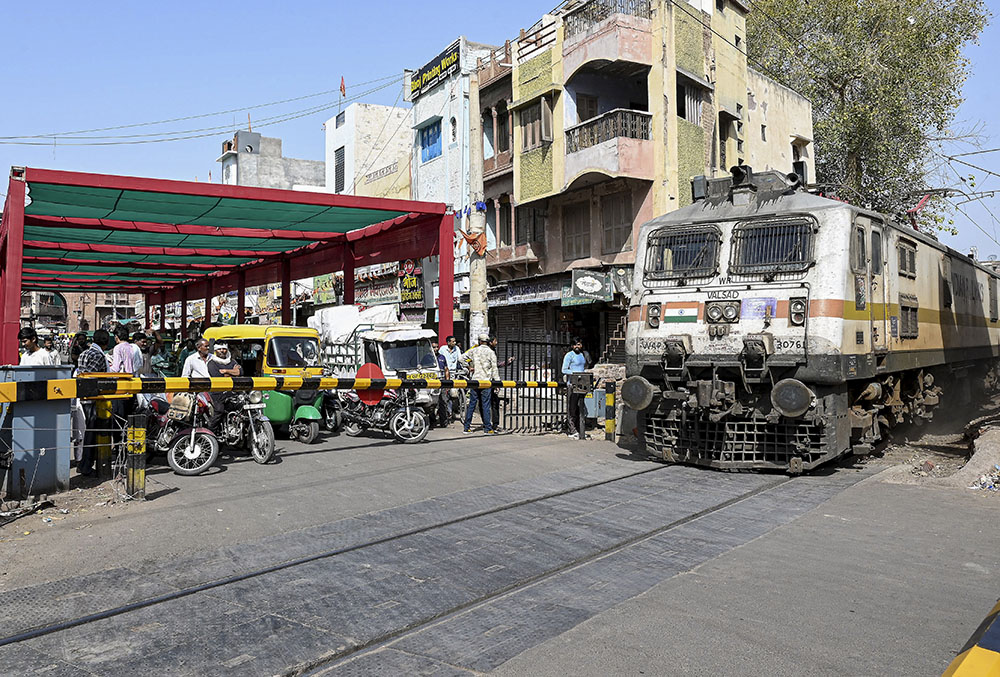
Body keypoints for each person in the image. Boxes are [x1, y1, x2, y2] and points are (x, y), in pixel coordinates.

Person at [77, 329, 111, 476]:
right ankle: (86, 466)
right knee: (91, 432)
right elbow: (92, 377)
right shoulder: (98, 355)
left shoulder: (85, 353)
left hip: (83, 397)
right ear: (105, 342)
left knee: (87, 432)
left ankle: (83, 464)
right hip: (92, 398)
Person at [462, 334, 499, 434]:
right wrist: (497, 383)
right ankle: (488, 428)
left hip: (475, 381)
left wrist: (468, 367)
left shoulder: (474, 350)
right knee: (485, 405)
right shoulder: (491, 352)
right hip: (486, 382)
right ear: (487, 341)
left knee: (472, 405)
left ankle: (466, 427)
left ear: (479, 341)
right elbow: (495, 368)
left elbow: (461, 358)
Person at [207, 343, 242, 429]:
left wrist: (226, 371)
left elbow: (240, 372)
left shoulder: (232, 361)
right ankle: (211, 433)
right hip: (218, 394)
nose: (222, 351)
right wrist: (233, 372)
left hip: (233, 392)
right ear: (215, 351)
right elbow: (217, 376)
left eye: (224, 349)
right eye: (219, 349)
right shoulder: (211, 363)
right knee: (219, 411)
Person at [562, 337, 588, 438]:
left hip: (581, 385)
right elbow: (564, 370)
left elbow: (583, 368)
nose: (577, 346)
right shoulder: (569, 355)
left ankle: (579, 428)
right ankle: (571, 430)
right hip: (572, 384)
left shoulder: (582, 355)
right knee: (571, 408)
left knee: (579, 408)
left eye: (579, 344)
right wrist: (575, 374)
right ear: (572, 346)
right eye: (575, 345)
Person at [432, 340, 450, 428]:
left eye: (436, 347)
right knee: (432, 403)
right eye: (434, 347)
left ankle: (444, 422)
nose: (436, 349)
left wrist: (448, 382)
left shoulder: (442, 357)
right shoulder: (427, 357)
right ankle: (432, 421)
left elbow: (446, 370)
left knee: (443, 402)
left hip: (442, 382)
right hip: (432, 384)